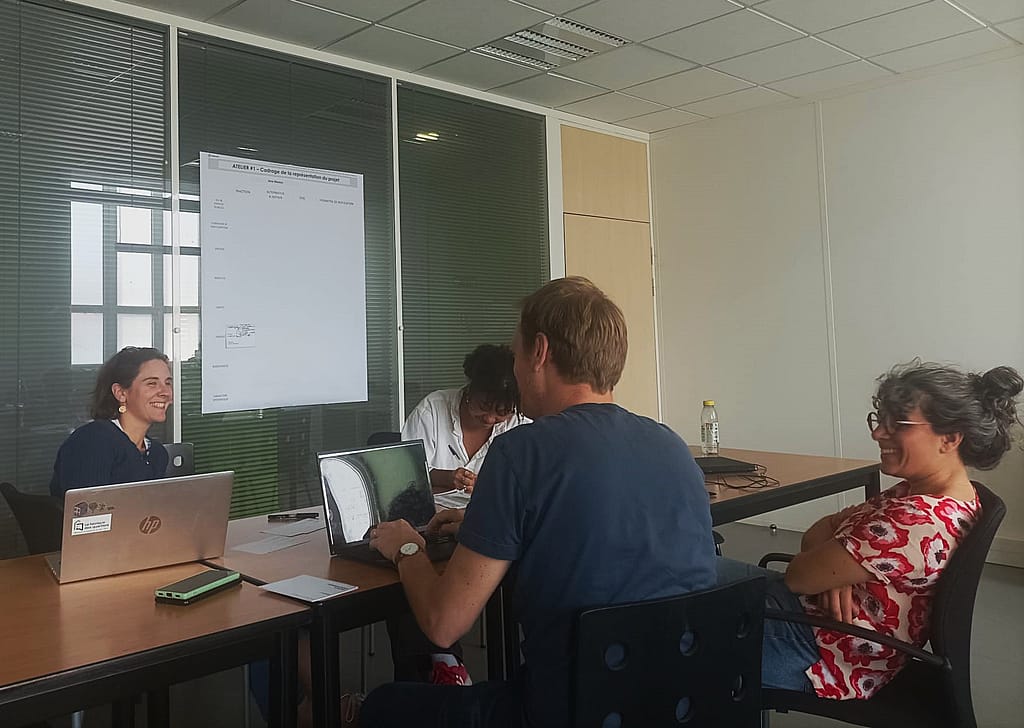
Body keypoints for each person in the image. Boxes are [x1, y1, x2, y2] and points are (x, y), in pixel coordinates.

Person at [362, 276, 717, 728]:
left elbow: (442, 624)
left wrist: (406, 546)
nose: (512, 369)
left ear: (540, 353)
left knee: (382, 707)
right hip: (682, 701)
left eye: (515, 354)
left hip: (568, 709)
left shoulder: (521, 452)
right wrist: (483, 521)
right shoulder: (672, 446)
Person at [717, 361, 1022, 700]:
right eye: (879, 420)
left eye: (898, 423)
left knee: (673, 592)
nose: (878, 433)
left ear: (949, 438)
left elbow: (799, 575)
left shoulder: (915, 520)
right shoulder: (933, 494)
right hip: (820, 631)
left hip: (813, 649)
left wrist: (833, 562)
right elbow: (821, 529)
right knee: (689, 573)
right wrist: (840, 571)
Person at [402, 344, 528, 492]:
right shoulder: (432, 410)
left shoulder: (520, 424)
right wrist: (448, 478)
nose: (489, 419)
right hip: (434, 511)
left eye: (502, 412)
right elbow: (407, 475)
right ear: (470, 390)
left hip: (488, 513)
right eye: (483, 406)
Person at [50, 346, 173, 498]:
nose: (165, 392)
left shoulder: (157, 453)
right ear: (121, 393)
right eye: (152, 383)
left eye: (167, 383)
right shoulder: (93, 441)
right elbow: (87, 515)